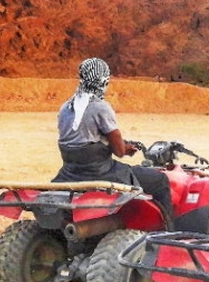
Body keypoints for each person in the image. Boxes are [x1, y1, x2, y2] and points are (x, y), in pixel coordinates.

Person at [53, 57, 174, 228]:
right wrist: (126, 148)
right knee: (160, 180)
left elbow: (82, 141)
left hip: (70, 173)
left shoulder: (65, 107)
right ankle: (167, 231)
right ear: (103, 81)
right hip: (100, 173)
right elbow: (119, 151)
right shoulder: (100, 107)